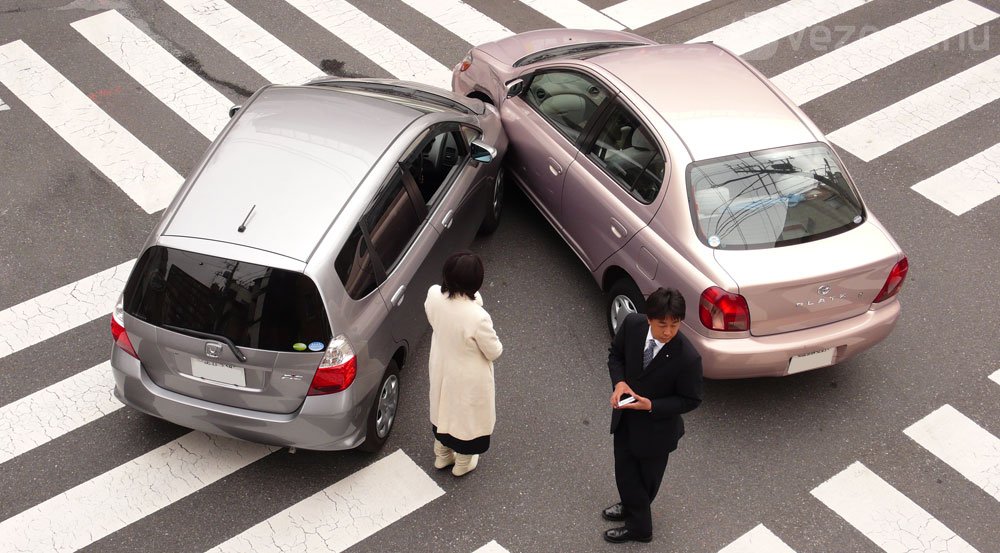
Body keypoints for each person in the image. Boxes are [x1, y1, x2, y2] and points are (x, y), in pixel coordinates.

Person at [602, 287, 703, 543]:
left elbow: (691, 400)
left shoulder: (688, 358)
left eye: (675, 324)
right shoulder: (633, 325)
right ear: (648, 318)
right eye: (661, 324)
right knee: (624, 471)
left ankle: (640, 529)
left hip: (658, 431)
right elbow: (616, 356)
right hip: (626, 418)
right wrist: (619, 382)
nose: (668, 332)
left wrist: (652, 406)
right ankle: (630, 507)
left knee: (646, 481)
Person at [424, 251, 503, 476]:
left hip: (441, 364)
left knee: (442, 410)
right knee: (467, 419)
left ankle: (442, 456)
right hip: (468, 377)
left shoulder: (433, 295)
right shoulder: (478, 317)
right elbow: (494, 351)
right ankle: (462, 464)